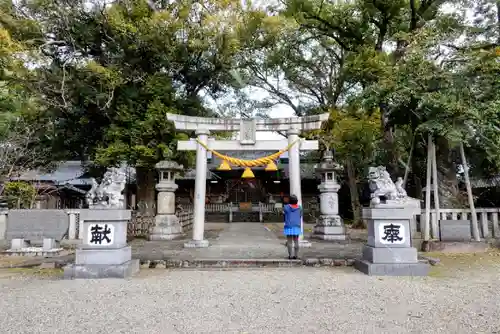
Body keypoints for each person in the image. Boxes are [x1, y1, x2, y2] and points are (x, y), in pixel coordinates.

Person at [283, 194, 302, 260]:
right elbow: (300, 215)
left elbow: (284, 213)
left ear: (289, 200)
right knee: (296, 240)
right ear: (296, 201)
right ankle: (296, 256)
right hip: (297, 225)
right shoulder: (300, 207)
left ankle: (290, 256)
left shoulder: (286, 207)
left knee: (289, 241)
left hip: (288, 226)